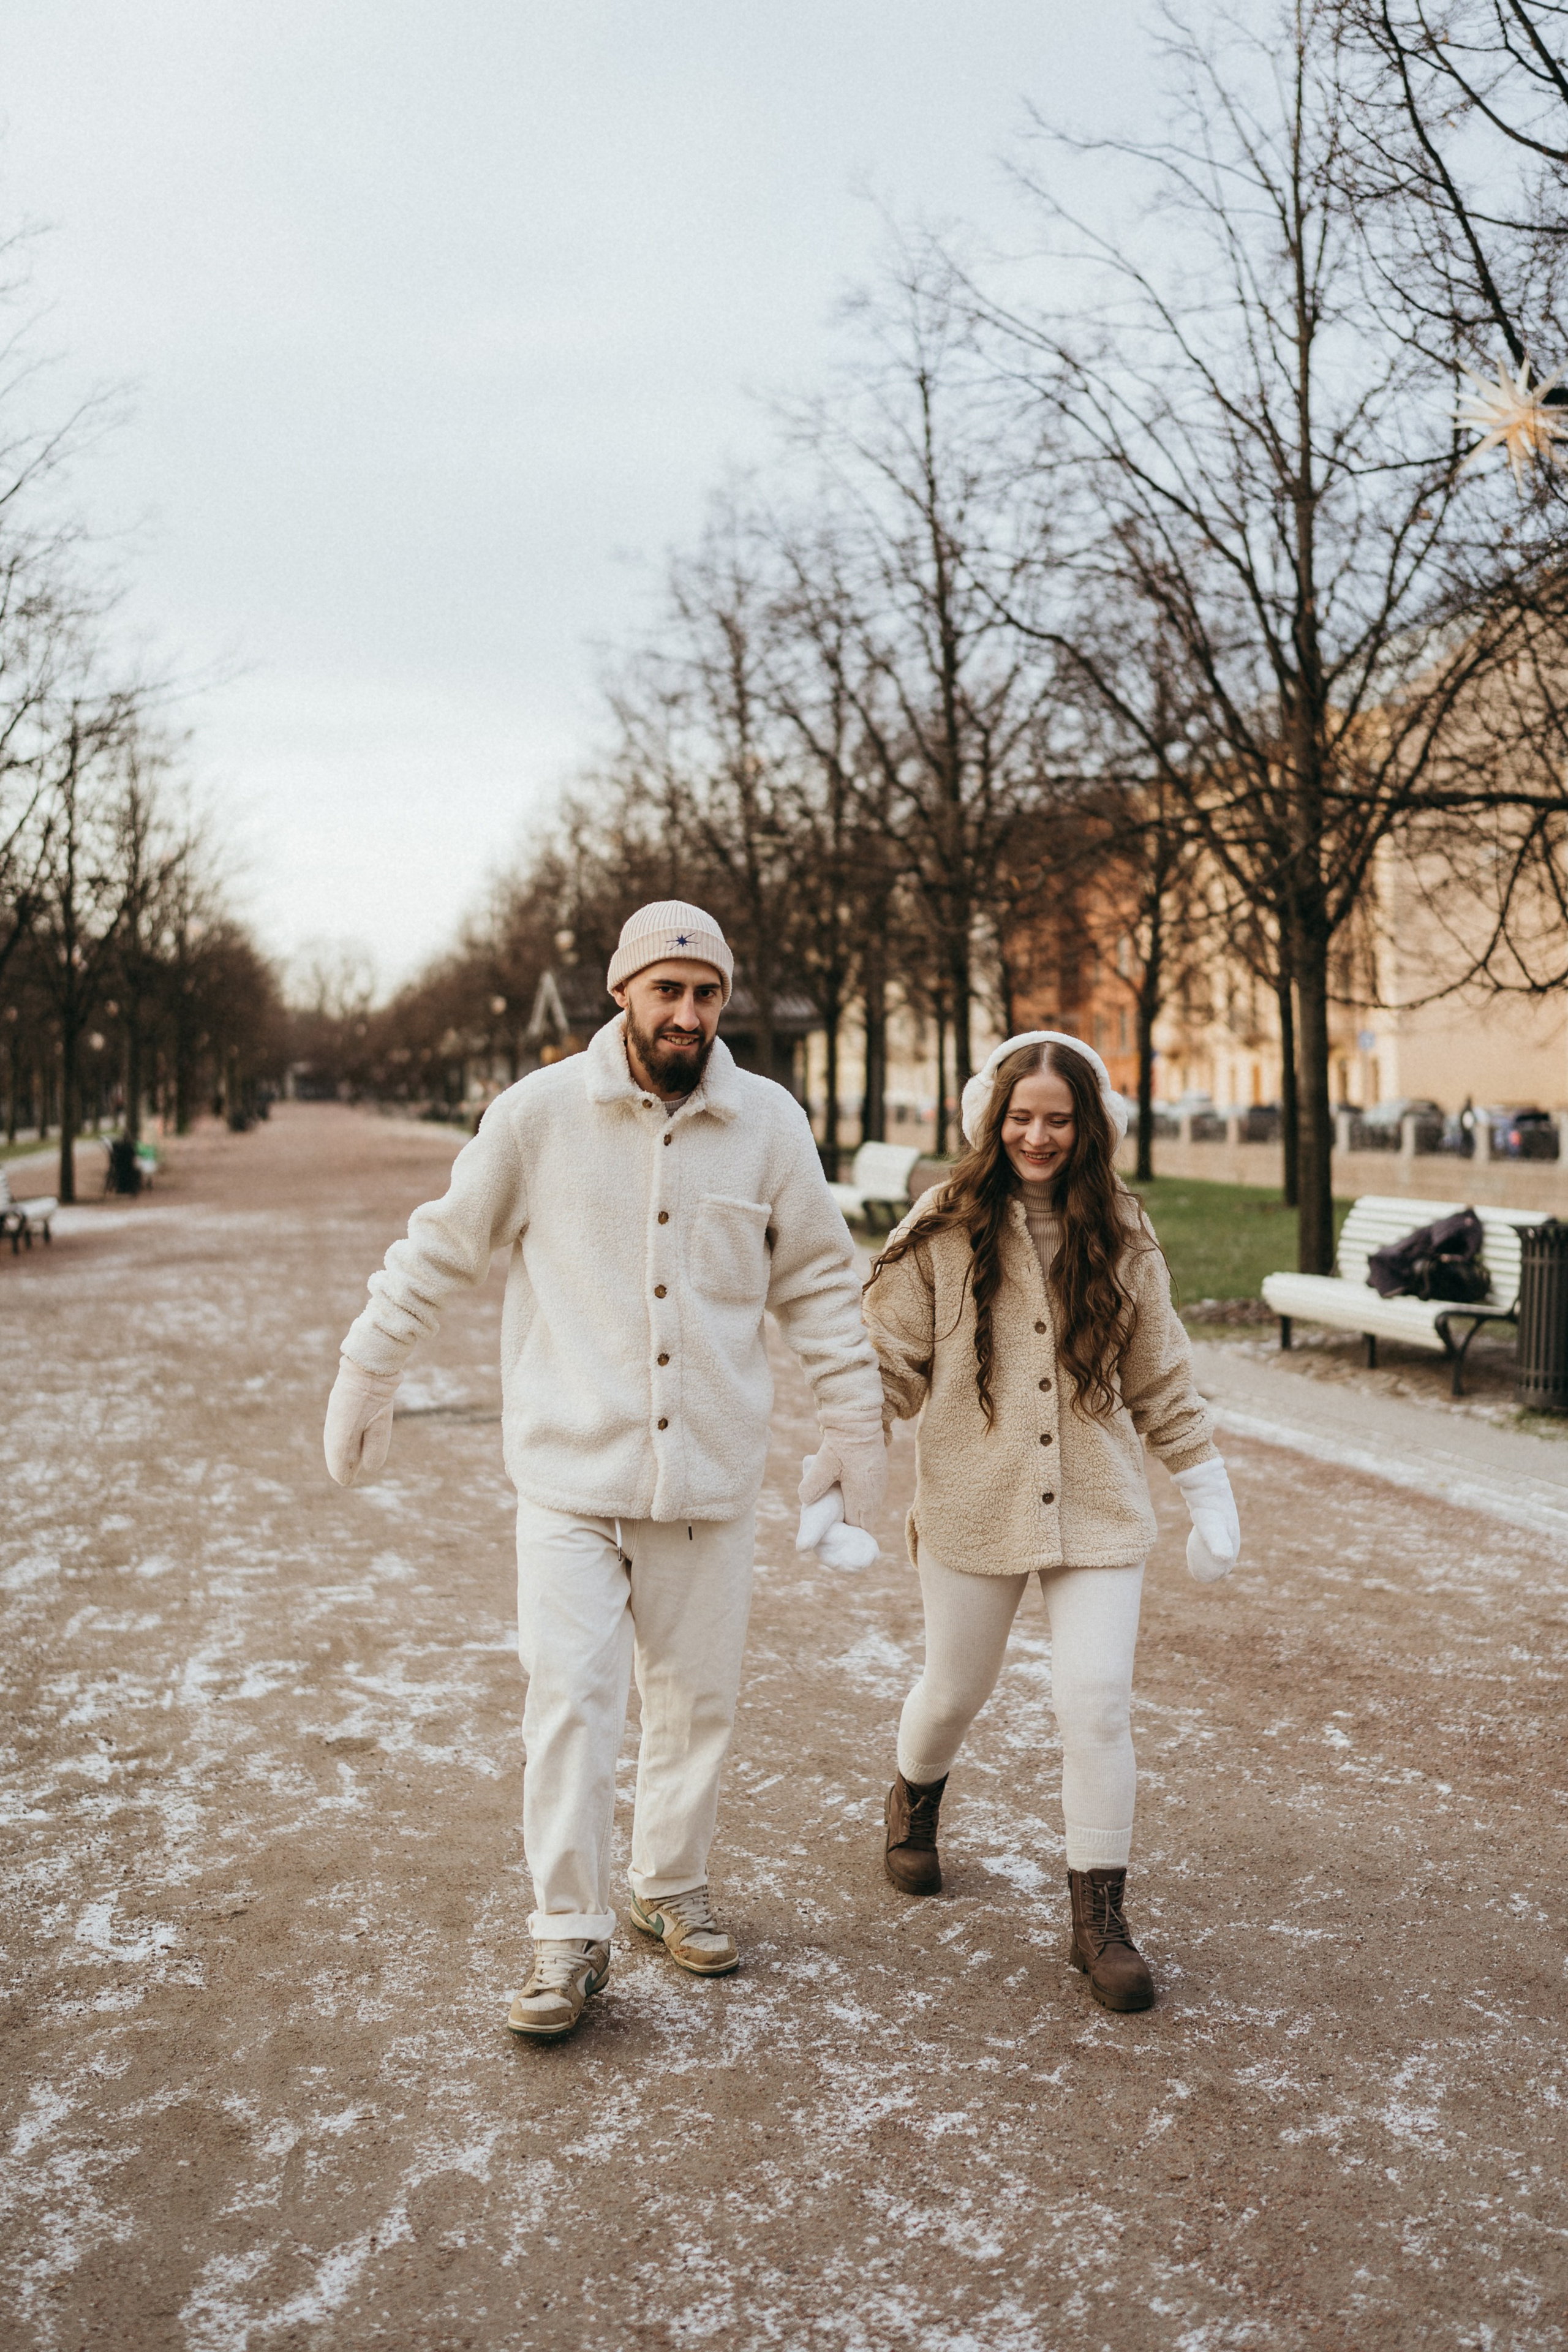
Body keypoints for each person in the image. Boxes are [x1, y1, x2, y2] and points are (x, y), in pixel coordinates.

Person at [322, 901, 886, 2038]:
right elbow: (441, 1247)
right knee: (572, 1700)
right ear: (622, 991)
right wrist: (367, 1368)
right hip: (571, 1479)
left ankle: (668, 1889)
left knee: (698, 1704)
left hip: (711, 1481)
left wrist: (856, 1426)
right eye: (666, 988)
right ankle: (565, 1934)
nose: (687, 1012)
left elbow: (823, 1283)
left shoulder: (769, 1123)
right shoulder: (537, 1116)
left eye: (707, 992)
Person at [862, 1031, 1240, 2013]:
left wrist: (1206, 1485)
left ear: (1090, 1127)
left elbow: (1160, 1376)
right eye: (1022, 1117)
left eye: (1058, 1119)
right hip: (973, 1504)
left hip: (1101, 1509)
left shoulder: (1121, 1230)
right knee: (955, 1689)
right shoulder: (941, 1229)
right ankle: (914, 1797)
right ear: (993, 1118)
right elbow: (886, 1369)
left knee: (1098, 1701)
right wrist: (839, 1463)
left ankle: (1097, 1919)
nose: (1038, 1134)